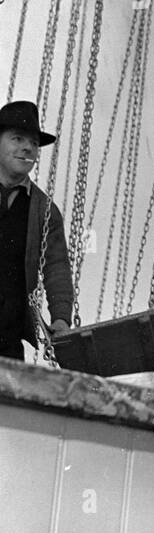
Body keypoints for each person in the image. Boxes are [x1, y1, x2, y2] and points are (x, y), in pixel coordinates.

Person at [0, 100, 73, 361]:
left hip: (6, 340)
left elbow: (57, 267)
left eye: (32, 142)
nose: (27, 148)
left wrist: (62, 318)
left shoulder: (44, 211)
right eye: (17, 138)